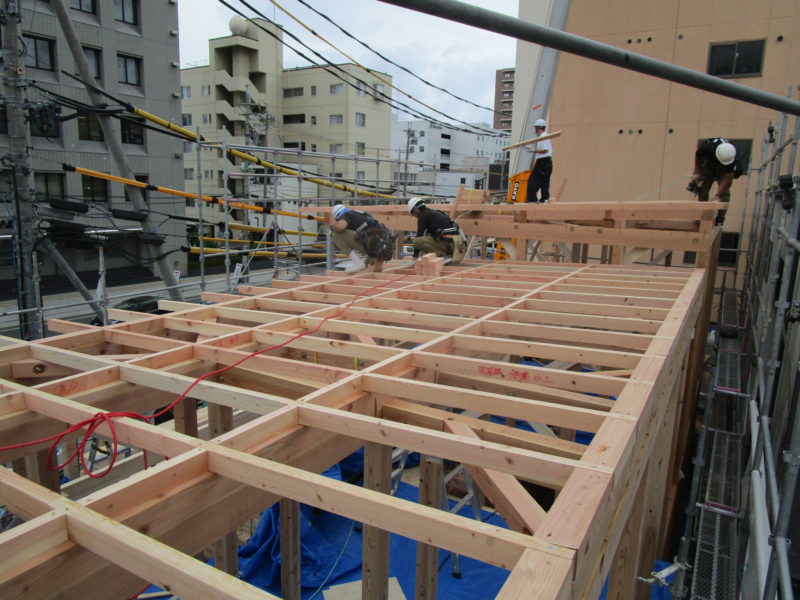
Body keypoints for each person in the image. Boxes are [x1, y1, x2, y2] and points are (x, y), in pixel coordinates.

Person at [330, 204, 394, 273]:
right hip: (382, 246)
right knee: (368, 266)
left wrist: (333, 227)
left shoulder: (346, 214)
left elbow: (341, 227)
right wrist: (366, 263)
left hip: (373, 244)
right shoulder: (359, 214)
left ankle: (358, 263)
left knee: (335, 234)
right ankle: (369, 263)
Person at [690, 137, 737, 225]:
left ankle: (719, 219)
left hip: (723, 168)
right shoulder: (706, 148)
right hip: (709, 163)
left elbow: (727, 176)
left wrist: (717, 195)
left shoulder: (730, 158)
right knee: (703, 187)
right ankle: (702, 215)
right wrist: (698, 171)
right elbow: (698, 157)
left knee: (724, 193)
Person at [407, 197, 467, 263]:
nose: (414, 215)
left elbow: (419, 234)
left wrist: (415, 257)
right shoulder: (433, 213)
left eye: (412, 213)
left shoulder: (423, 215)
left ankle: (443, 257)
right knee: (426, 241)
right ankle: (445, 257)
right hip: (457, 246)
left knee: (417, 242)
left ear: (416, 209)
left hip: (451, 245)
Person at [524, 118, 553, 203]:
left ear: (538, 127)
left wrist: (533, 150)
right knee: (544, 182)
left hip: (543, 162)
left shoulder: (543, 137)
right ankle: (544, 200)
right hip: (545, 163)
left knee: (532, 182)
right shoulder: (544, 136)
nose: (535, 130)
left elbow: (545, 150)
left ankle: (533, 200)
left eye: (535, 127)